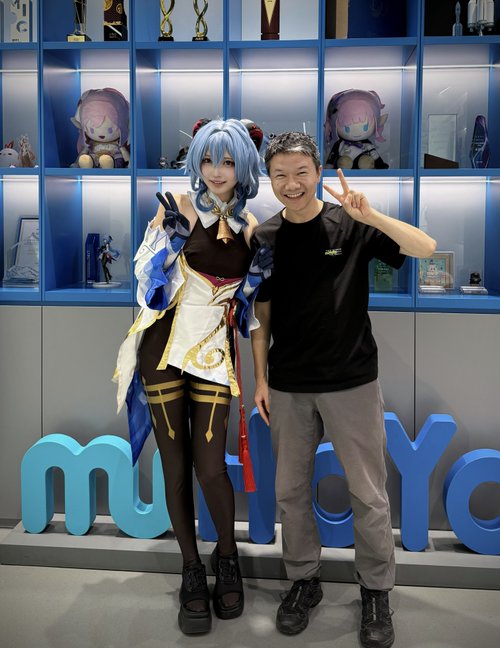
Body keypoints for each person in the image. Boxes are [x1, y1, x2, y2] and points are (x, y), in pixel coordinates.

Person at [250, 132, 436, 648]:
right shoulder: (265, 237)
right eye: (280, 174)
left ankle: (376, 591)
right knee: (290, 491)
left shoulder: (351, 223)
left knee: (368, 494)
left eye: (301, 173)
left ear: (317, 173)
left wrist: (371, 215)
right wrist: (260, 379)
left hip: (352, 380)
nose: (291, 184)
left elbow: (424, 248)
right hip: (288, 385)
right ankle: (304, 581)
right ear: (270, 179)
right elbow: (261, 316)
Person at [113, 118, 264, 635]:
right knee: (175, 466)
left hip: (213, 354)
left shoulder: (251, 225)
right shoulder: (175, 206)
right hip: (162, 348)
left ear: (244, 165)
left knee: (211, 468)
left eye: (228, 161)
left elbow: (251, 307)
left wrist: (255, 285)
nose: (217, 171)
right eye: (207, 159)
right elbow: (142, 282)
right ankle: (191, 569)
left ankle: (228, 557)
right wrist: (165, 251)